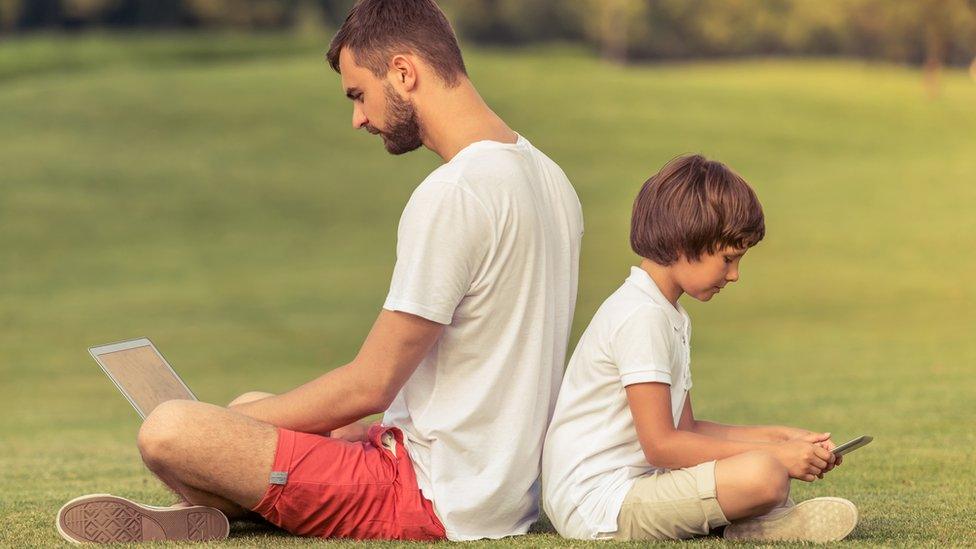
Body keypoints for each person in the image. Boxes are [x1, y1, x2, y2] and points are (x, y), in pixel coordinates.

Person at [56, 0, 582, 543]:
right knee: (245, 407)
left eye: (358, 94)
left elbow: (371, 384)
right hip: (494, 488)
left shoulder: (457, 193)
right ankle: (233, 504)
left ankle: (239, 504)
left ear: (404, 72)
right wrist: (238, 424)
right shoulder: (549, 178)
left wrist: (224, 434)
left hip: (429, 495)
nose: (358, 118)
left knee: (169, 429)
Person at [541, 154, 857, 543]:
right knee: (763, 475)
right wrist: (776, 458)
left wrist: (781, 439)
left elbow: (687, 428)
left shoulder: (666, 313)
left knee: (765, 469)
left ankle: (759, 524)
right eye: (728, 258)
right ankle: (761, 522)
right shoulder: (641, 316)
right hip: (600, 502)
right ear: (682, 241)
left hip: (635, 487)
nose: (735, 274)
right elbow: (661, 446)